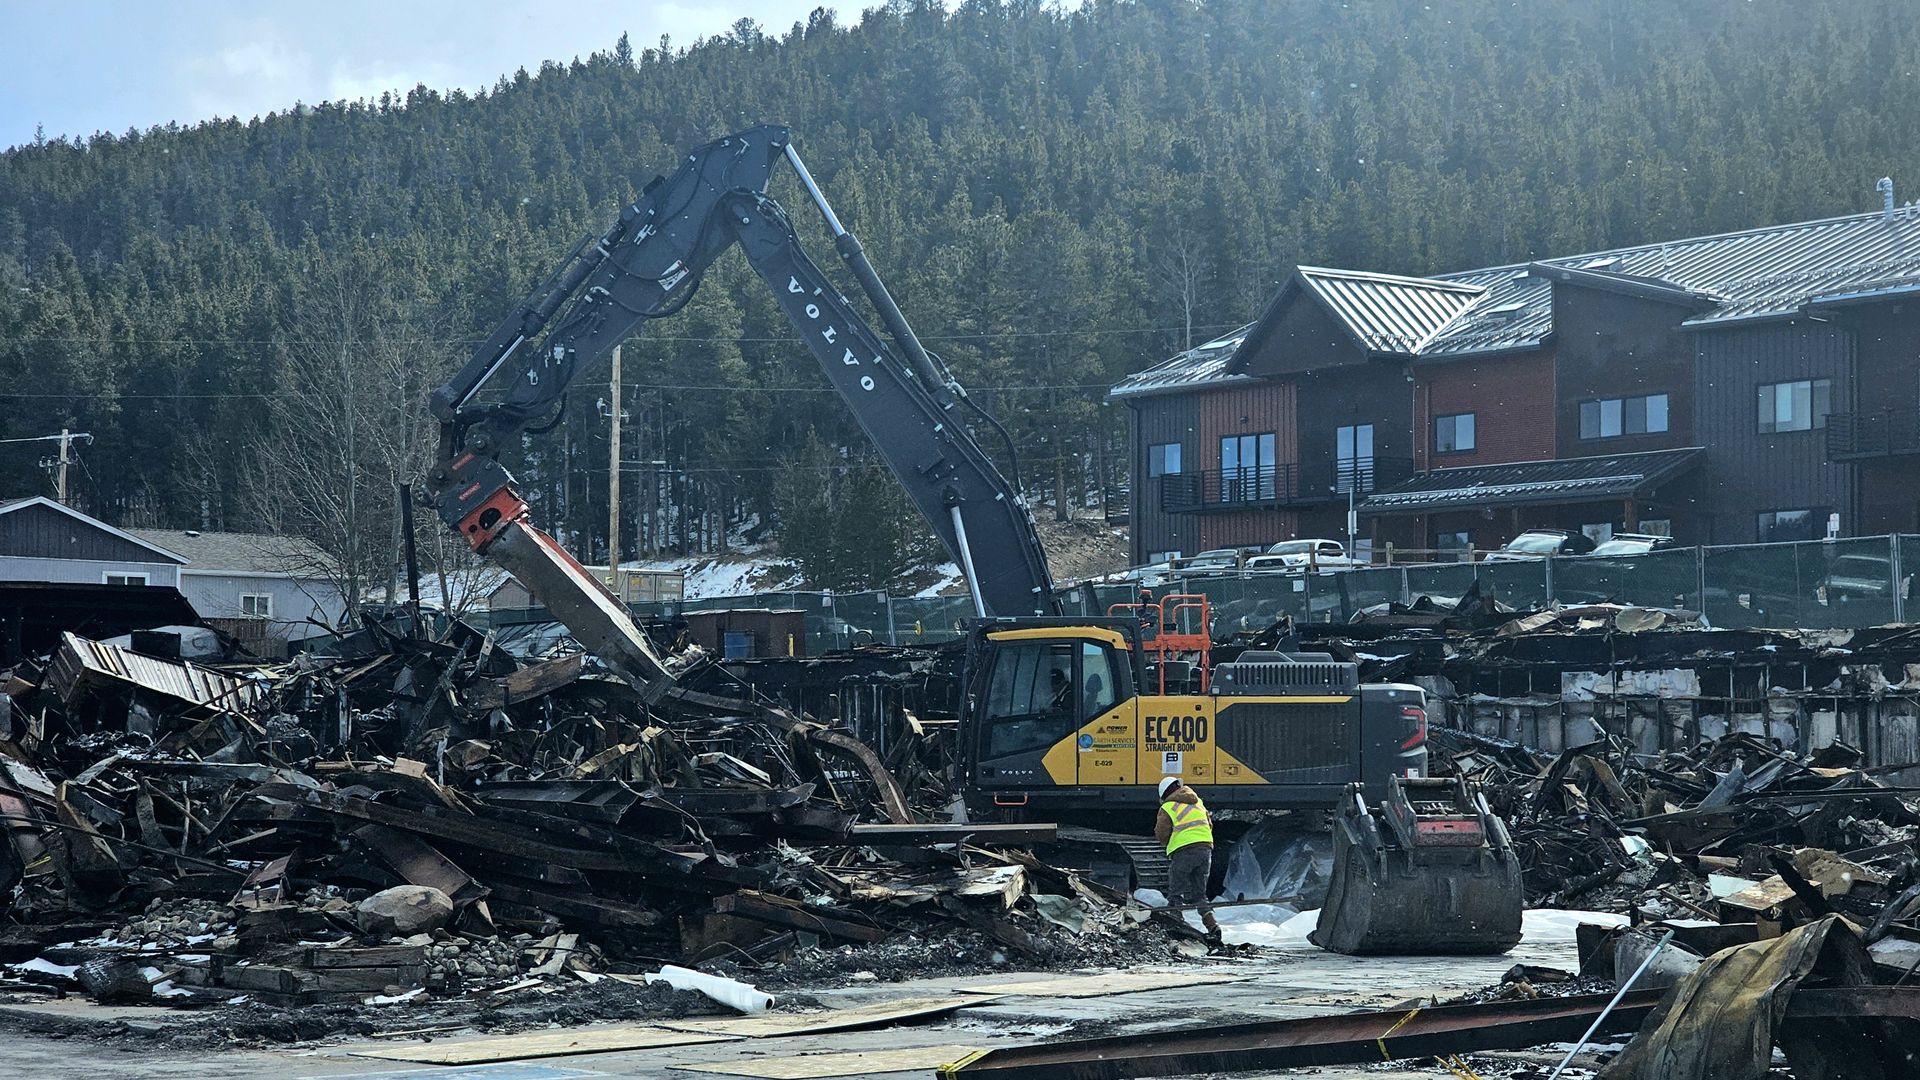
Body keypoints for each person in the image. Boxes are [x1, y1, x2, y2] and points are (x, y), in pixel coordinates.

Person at [1155, 776, 1221, 945]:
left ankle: (1176, 926)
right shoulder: (1197, 802)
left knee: (1176, 892)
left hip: (1184, 851)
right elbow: (1209, 824)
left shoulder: (1168, 807)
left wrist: (1170, 842)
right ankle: (1213, 927)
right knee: (1200, 894)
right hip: (1205, 849)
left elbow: (1162, 834)